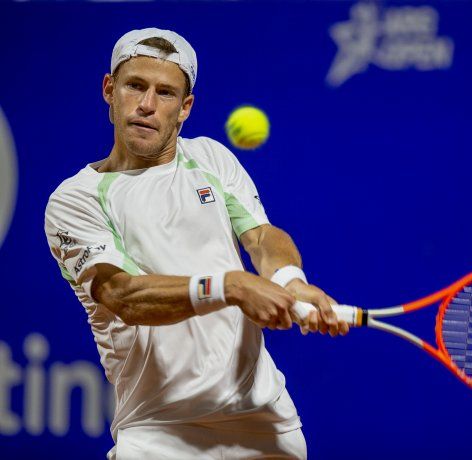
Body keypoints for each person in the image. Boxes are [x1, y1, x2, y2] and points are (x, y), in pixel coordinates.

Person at [44, 28, 348, 460]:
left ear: (185, 108)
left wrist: (290, 280)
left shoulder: (210, 158)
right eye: (135, 86)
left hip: (265, 426)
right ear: (109, 91)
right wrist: (231, 286)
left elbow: (261, 236)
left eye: (165, 93)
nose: (147, 105)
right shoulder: (75, 199)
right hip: (158, 434)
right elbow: (122, 294)